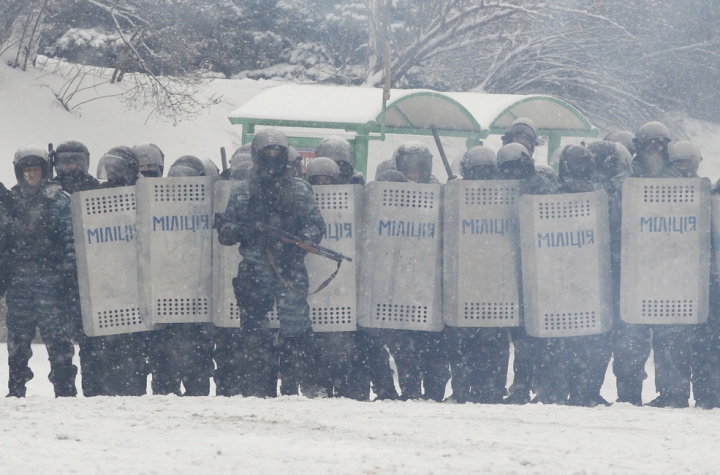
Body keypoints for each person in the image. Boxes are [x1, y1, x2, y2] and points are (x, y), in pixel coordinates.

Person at [217, 128, 325, 397]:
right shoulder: (242, 191)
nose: (274, 157)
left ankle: (294, 386)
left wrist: (299, 242)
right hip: (254, 270)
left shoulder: (301, 190)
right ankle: (258, 387)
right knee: (254, 332)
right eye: (269, 152)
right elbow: (226, 231)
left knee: (297, 331)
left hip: (289, 269)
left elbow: (315, 226)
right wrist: (249, 232)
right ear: (258, 155)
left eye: (278, 152)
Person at [613, 121, 693, 408]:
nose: (656, 150)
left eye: (662, 144)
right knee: (629, 338)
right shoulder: (625, 180)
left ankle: (673, 394)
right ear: (639, 147)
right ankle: (628, 394)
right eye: (651, 144)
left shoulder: (681, 182)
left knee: (672, 338)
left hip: (670, 269)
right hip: (633, 270)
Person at [2, 145, 78, 397]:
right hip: (20, 281)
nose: (31, 174)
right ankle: (15, 390)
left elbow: (69, 238)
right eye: (27, 170)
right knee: (17, 342)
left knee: (58, 342)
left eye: (36, 169)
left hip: (51, 281)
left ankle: (65, 391)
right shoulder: (9, 200)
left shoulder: (58, 200)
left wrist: (68, 273)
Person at [147, 155, 216, 396]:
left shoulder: (210, 206)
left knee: (198, 365)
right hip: (166, 296)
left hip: (198, 298)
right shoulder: (157, 205)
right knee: (164, 363)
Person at [497, 126, 555, 405]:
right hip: (498, 267)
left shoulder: (541, 180)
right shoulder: (490, 184)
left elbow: (549, 202)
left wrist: (530, 177)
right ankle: (503, 386)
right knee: (500, 334)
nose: (512, 175)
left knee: (529, 336)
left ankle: (526, 385)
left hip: (533, 267)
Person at [447, 146, 509, 404]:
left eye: (486, 171)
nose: (482, 176)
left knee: (492, 344)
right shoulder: (454, 194)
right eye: (477, 171)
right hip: (465, 280)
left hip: (495, 282)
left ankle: (492, 390)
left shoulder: (506, 194)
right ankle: (464, 390)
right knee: (465, 345)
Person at [51, 140, 105, 397]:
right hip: (59, 277)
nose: (70, 166)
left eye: (74, 160)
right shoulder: (50, 192)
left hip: (92, 275)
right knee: (59, 339)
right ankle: (64, 391)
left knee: (92, 337)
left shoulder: (96, 188)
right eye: (64, 161)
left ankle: (92, 389)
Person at [96, 146, 149, 396]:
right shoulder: (100, 195)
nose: (112, 174)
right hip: (112, 277)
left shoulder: (147, 192)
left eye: (117, 169)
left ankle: (135, 390)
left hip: (140, 276)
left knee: (135, 344)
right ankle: (109, 391)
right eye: (109, 169)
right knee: (110, 343)